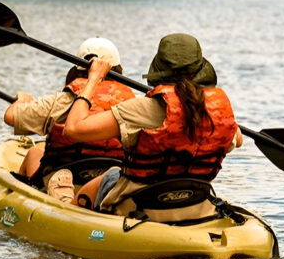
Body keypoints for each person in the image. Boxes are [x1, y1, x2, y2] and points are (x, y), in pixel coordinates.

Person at [62, 33, 242, 221]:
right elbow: (237, 140)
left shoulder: (141, 109)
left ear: (159, 69)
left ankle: (68, 212)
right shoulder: (217, 112)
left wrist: (93, 79)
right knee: (112, 174)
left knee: (111, 174)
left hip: (143, 205)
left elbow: (73, 129)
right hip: (195, 202)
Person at [3, 37, 134, 202]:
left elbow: (10, 117)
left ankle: (19, 203)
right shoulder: (132, 104)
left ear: (77, 69)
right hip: (112, 177)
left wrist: (22, 100)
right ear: (118, 69)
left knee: (35, 152)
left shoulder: (63, 101)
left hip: (66, 171)